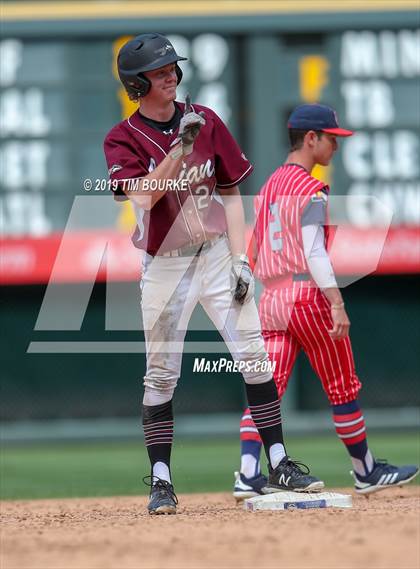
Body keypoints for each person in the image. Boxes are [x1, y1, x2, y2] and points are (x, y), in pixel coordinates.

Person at [104, 34, 323, 515]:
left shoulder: (204, 120)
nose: (171, 75)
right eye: (159, 71)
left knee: (255, 356)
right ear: (137, 84)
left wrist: (242, 259)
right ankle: (161, 480)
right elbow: (140, 197)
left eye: (171, 69)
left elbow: (230, 191)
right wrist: (178, 151)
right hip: (165, 264)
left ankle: (279, 461)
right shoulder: (122, 138)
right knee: (161, 376)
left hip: (217, 254)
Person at [233, 103, 419, 500]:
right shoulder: (310, 190)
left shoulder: (268, 188)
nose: (335, 146)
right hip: (307, 295)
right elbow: (315, 253)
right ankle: (366, 470)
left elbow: (253, 248)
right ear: (310, 138)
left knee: (266, 389)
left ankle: (248, 473)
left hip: (271, 299)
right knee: (342, 386)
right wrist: (336, 302)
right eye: (331, 139)